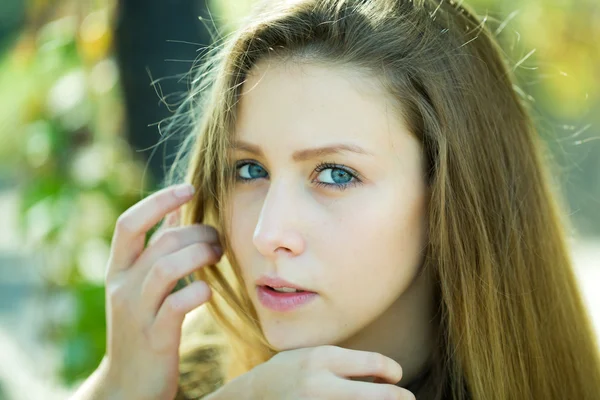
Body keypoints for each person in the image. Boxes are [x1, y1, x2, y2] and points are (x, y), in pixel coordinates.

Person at [70, 0, 600, 399]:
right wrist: (117, 385)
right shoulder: (183, 368)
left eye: (335, 174)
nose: (267, 233)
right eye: (249, 169)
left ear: (452, 193)